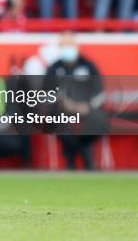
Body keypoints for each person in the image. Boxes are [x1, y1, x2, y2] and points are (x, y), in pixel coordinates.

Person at [44, 31, 104, 170]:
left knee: (97, 120)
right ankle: (77, 161)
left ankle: (78, 158)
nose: (68, 47)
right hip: (62, 112)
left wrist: (87, 106)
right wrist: (65, 104)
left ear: (77, 45)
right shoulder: (54, 68)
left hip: (88, 111)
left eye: (70, 44)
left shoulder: (89, 66)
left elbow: (100, 92)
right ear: (59, 46)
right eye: (64, 44)